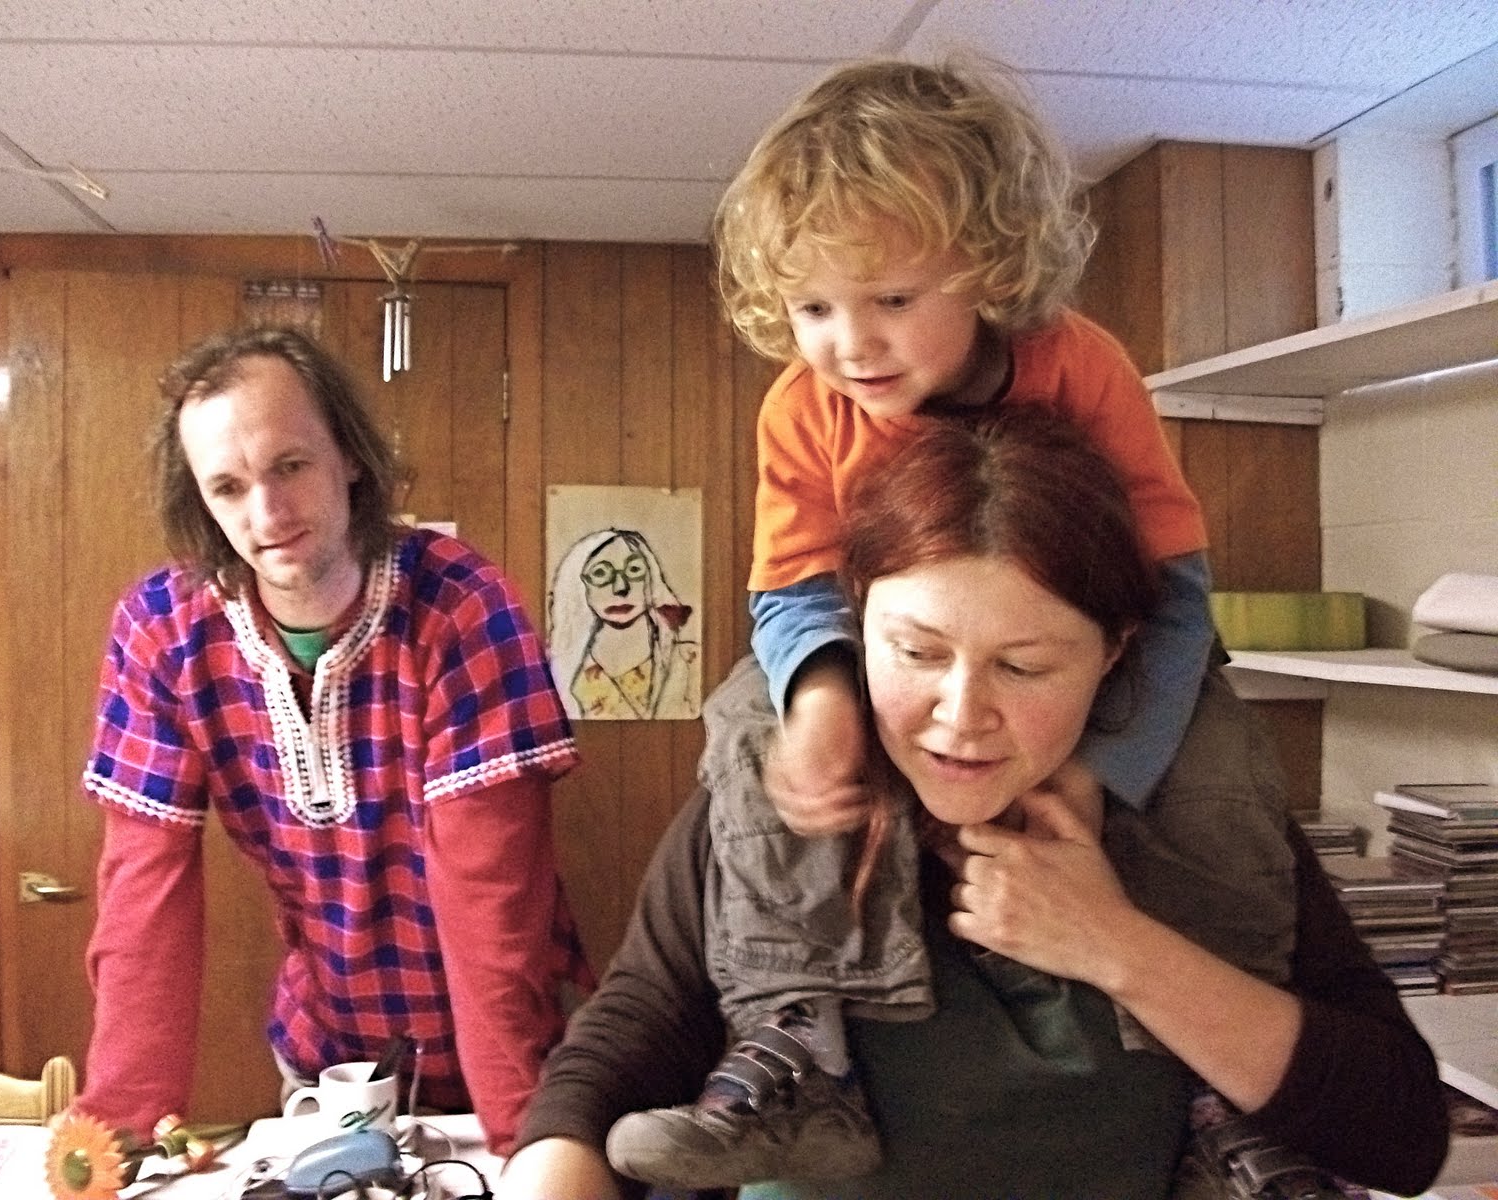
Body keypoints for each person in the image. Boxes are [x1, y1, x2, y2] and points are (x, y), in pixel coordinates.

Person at [497, 409, 1449, 1200]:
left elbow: (1403, 1136)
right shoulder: (784, 798)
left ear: (1116, 654)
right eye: (915, 653)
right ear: (856, 621)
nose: (959, 716)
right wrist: (552, 1165)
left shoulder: (1207, 817)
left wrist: (1115, 945)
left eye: (1023, 667)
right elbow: (633, 1033)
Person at [616, 54, 1243, 1185]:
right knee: (752, 723)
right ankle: (801, 1042)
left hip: (1108, 639)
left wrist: (1107, 768)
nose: (849, 344)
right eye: (814, 308)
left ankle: (1221, 1100)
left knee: (1217, 754)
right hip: (873, 650)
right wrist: (822, 698)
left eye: (892, 301)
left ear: (989, 271)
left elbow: (1176, 592)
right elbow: (791, 587)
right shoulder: (803, 406)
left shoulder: (1081, 369)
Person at [72, 326, 591, 1156]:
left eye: (290, 466)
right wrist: (117, 1137)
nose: (268, 514)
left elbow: (494, 898)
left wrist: (520, 1135)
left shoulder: (461, 605)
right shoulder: (161, 632)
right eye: (229, 487)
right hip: (329, 1057)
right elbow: (144, 893)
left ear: (348, 455)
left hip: (514, 1049)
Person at [548, 527, 700, 721]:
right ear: (578, 585)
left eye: (634, 570)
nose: (621, 587)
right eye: (600, 573)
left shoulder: (690, 661)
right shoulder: (562, 677)